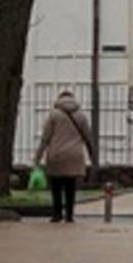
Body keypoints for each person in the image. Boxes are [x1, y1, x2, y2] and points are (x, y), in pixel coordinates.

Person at [32, 90, 94, 223]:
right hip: (74, 155)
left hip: (56, 154)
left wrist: (37, 158)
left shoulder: (53, 115)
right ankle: (69, 215)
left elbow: (45, 138)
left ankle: (57, 213)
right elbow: (88, 138)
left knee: (56, 186)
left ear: (59, 99)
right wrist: (92, 156)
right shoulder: (81, 116)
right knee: (70, 186)